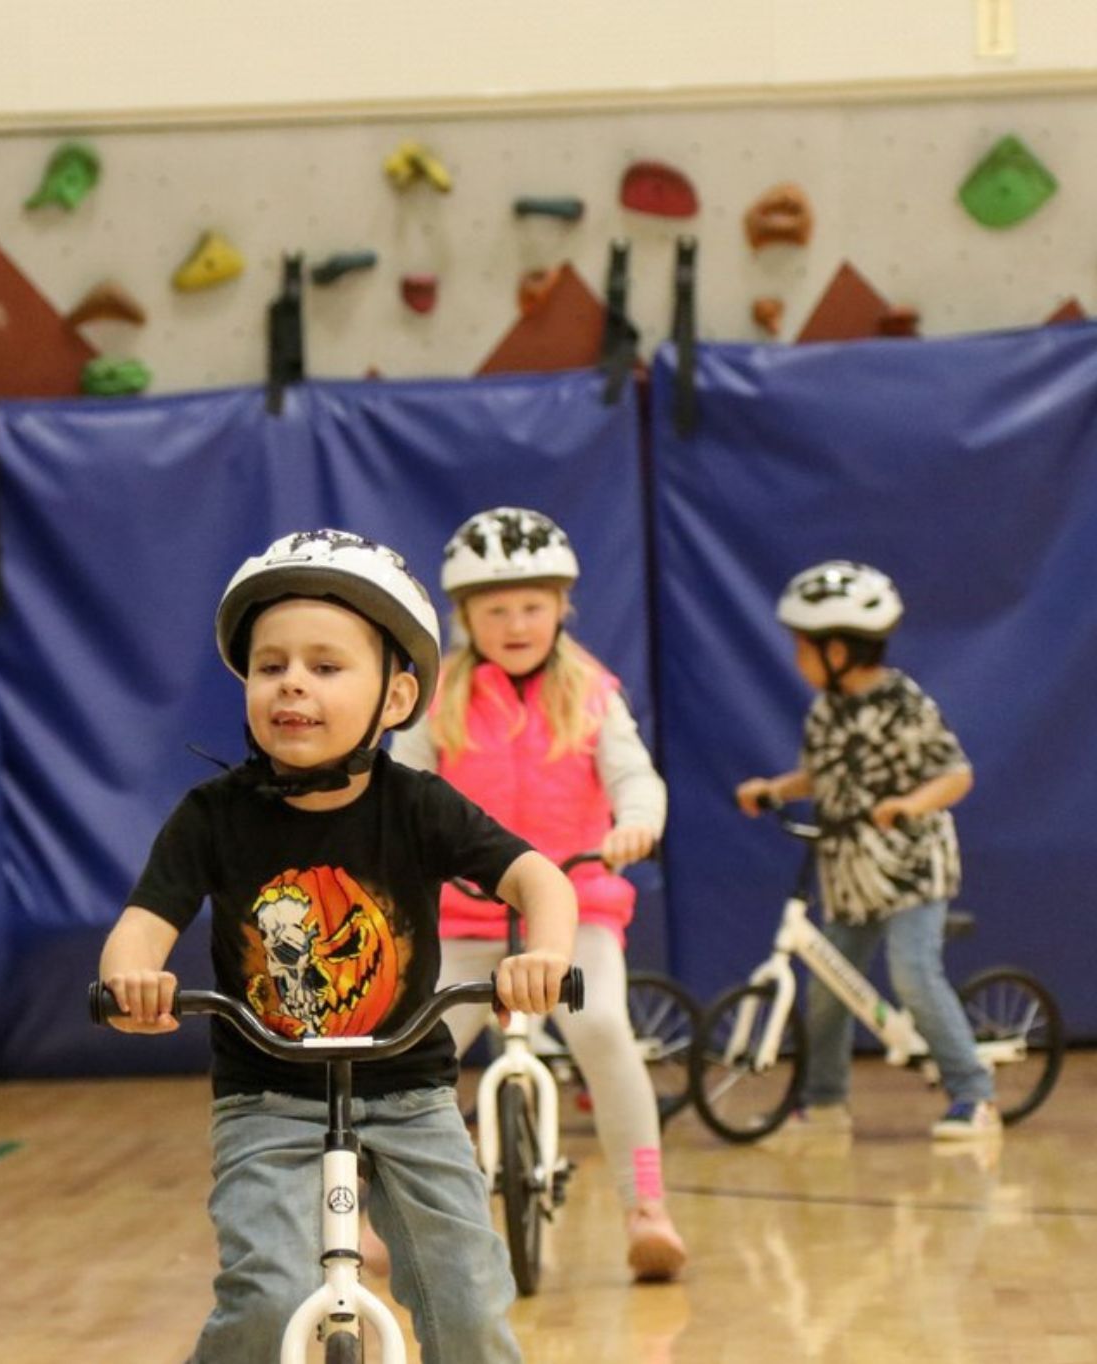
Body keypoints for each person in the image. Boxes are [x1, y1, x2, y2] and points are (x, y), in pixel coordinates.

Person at [99, 528, 578, 1362]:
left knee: (468, 1297)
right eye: (270, 665)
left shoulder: (419, 806)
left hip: (411, 1094)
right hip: (266, 1100)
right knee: (269, 1297)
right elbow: (146, 921)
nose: (292, 684)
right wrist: (130, 978)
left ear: (395, 700)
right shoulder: (213, 817)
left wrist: (542, 956)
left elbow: (542, 881)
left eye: (325, 667)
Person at [393, 507, 686, 1280]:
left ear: (562, 608)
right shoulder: (437, 694)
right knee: (412, 1055)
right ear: (465, 618)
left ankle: (645, 1208)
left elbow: (634, 776)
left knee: (601, 1031)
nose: (516, 622)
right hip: (462, 913)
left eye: (533, 605)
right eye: (495, 609)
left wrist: (637, 823)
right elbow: (401, 785)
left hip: (576, 906)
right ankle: (380, 1211)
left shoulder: (591, 692)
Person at [735, 560, 996, 1140]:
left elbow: (956, 774)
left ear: (839, 650)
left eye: (804, 648)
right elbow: (821, 773)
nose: (797, 659)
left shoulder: (904, 702)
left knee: (913, 974)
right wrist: (777, 789)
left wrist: (909, 804)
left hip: (910, 871)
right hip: (850, 875)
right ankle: (825, 1103)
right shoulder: (826, 709)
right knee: (828, 988)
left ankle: (973, 1094)